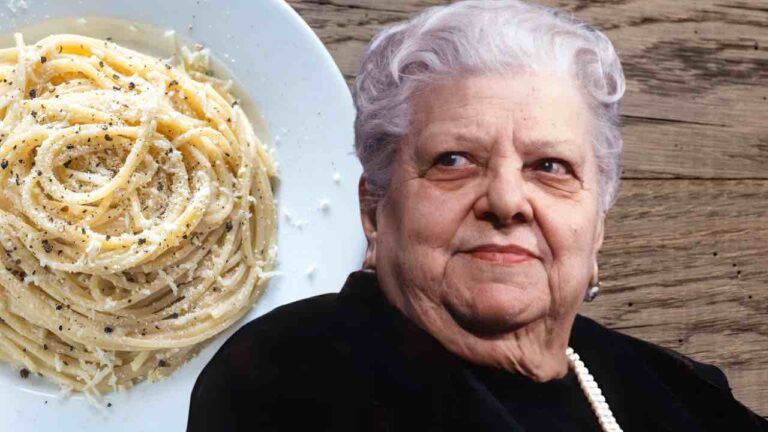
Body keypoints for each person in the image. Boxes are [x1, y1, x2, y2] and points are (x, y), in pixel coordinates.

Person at [187, 1, 768, 430]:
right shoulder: (287, 377)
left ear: (597, 227)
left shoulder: (678, 390)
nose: (507, 200)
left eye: (551, 167)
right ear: (373, 210)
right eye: (455, 160)